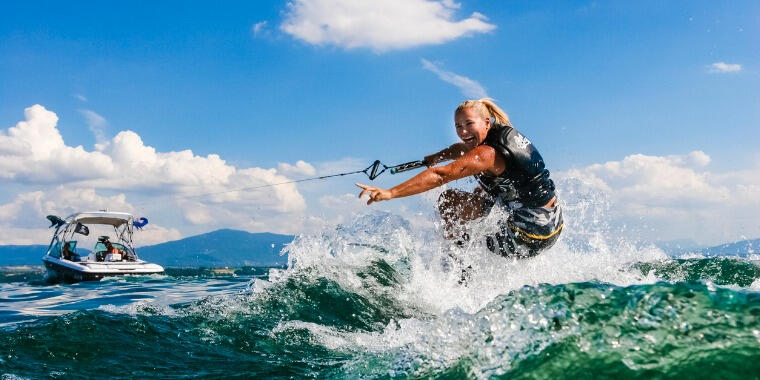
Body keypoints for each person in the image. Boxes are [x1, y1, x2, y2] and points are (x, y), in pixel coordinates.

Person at [356, 98, 563, 258]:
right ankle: (465, 253)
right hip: (553, 223)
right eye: (458, 126)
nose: (463, 131)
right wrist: (437, 156)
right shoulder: (500, 136)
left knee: (449, 201)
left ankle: (459, 266)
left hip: (529, 236)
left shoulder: (487, 155)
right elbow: (462, 149)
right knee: (481, 193)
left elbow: (440, 175)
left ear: (486, 122)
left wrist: (390, 192)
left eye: (468, 124)